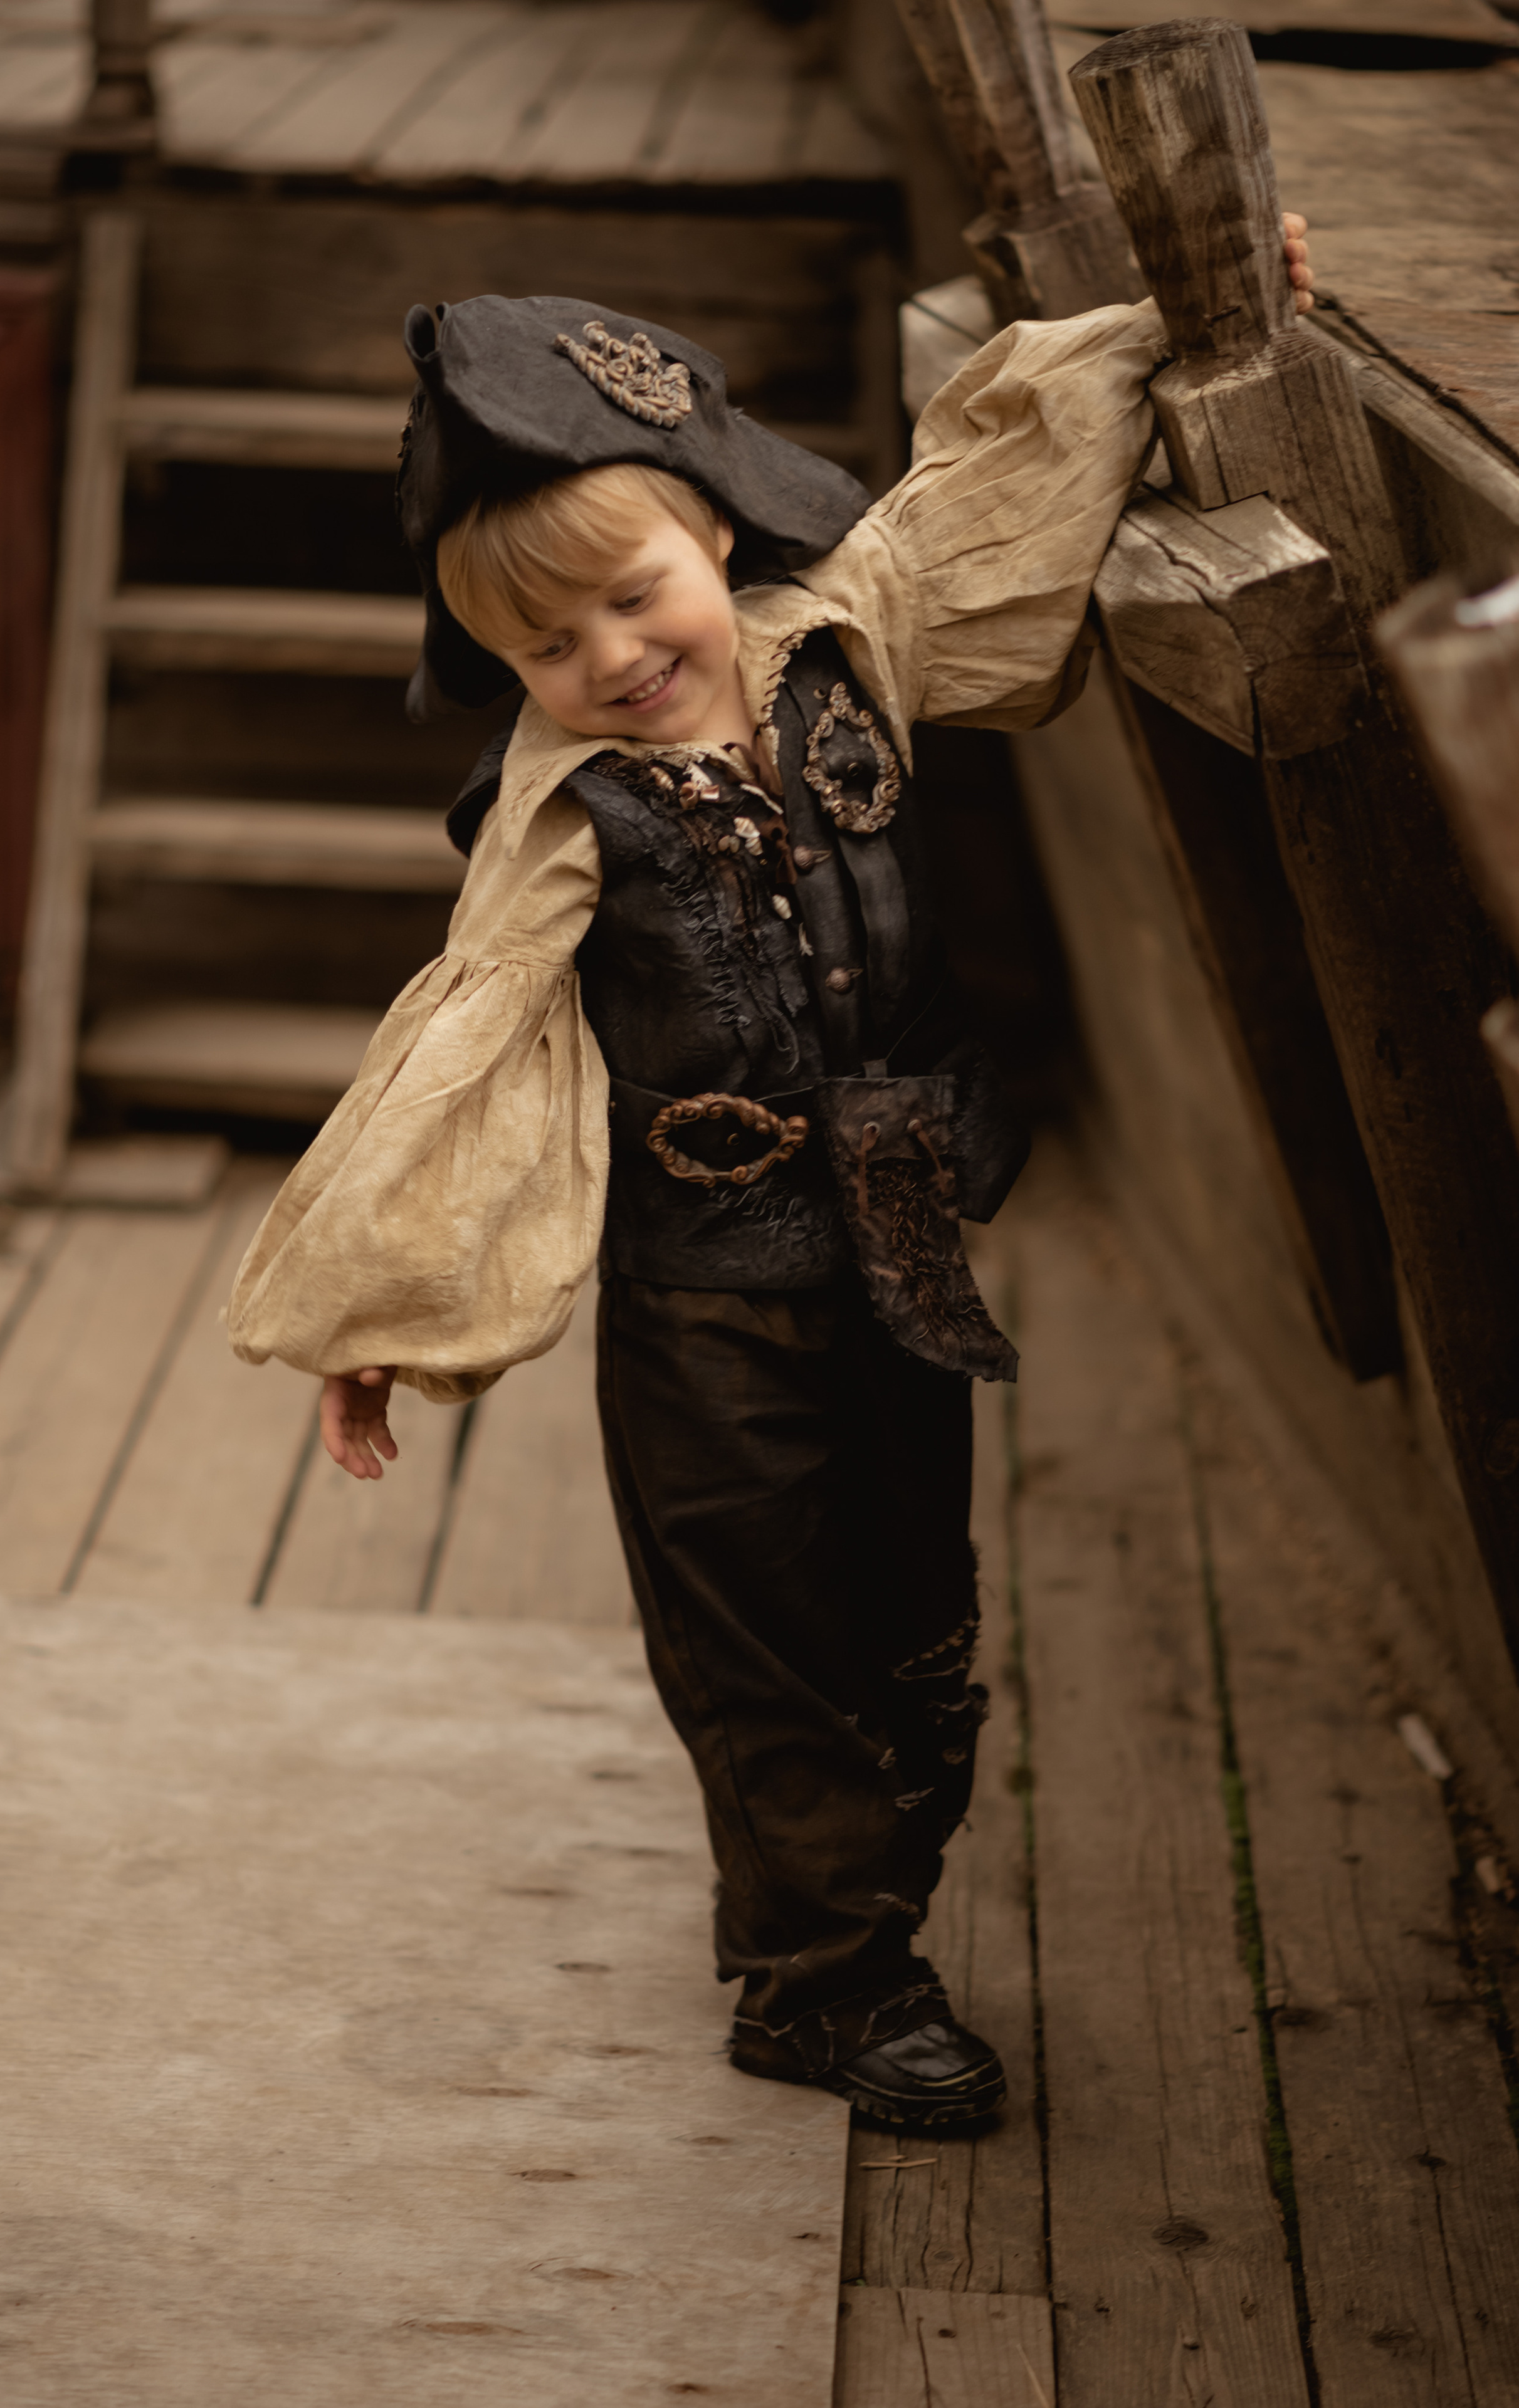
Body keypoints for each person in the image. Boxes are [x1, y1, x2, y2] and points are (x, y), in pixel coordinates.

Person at [228, 221, 1314, 2130]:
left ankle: (864, 1900)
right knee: (757, 1625)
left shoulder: (849, 639)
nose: (607, 660)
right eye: (540, 647)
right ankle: (829, 1980)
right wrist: (378, 1307)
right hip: (704, 1289)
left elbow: (1003, 483)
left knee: (914, 1607)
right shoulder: (563, 812)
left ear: (716, 534)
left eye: (632, 599)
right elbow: (471, 1039)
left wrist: (1174, 319)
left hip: (899, 1244)